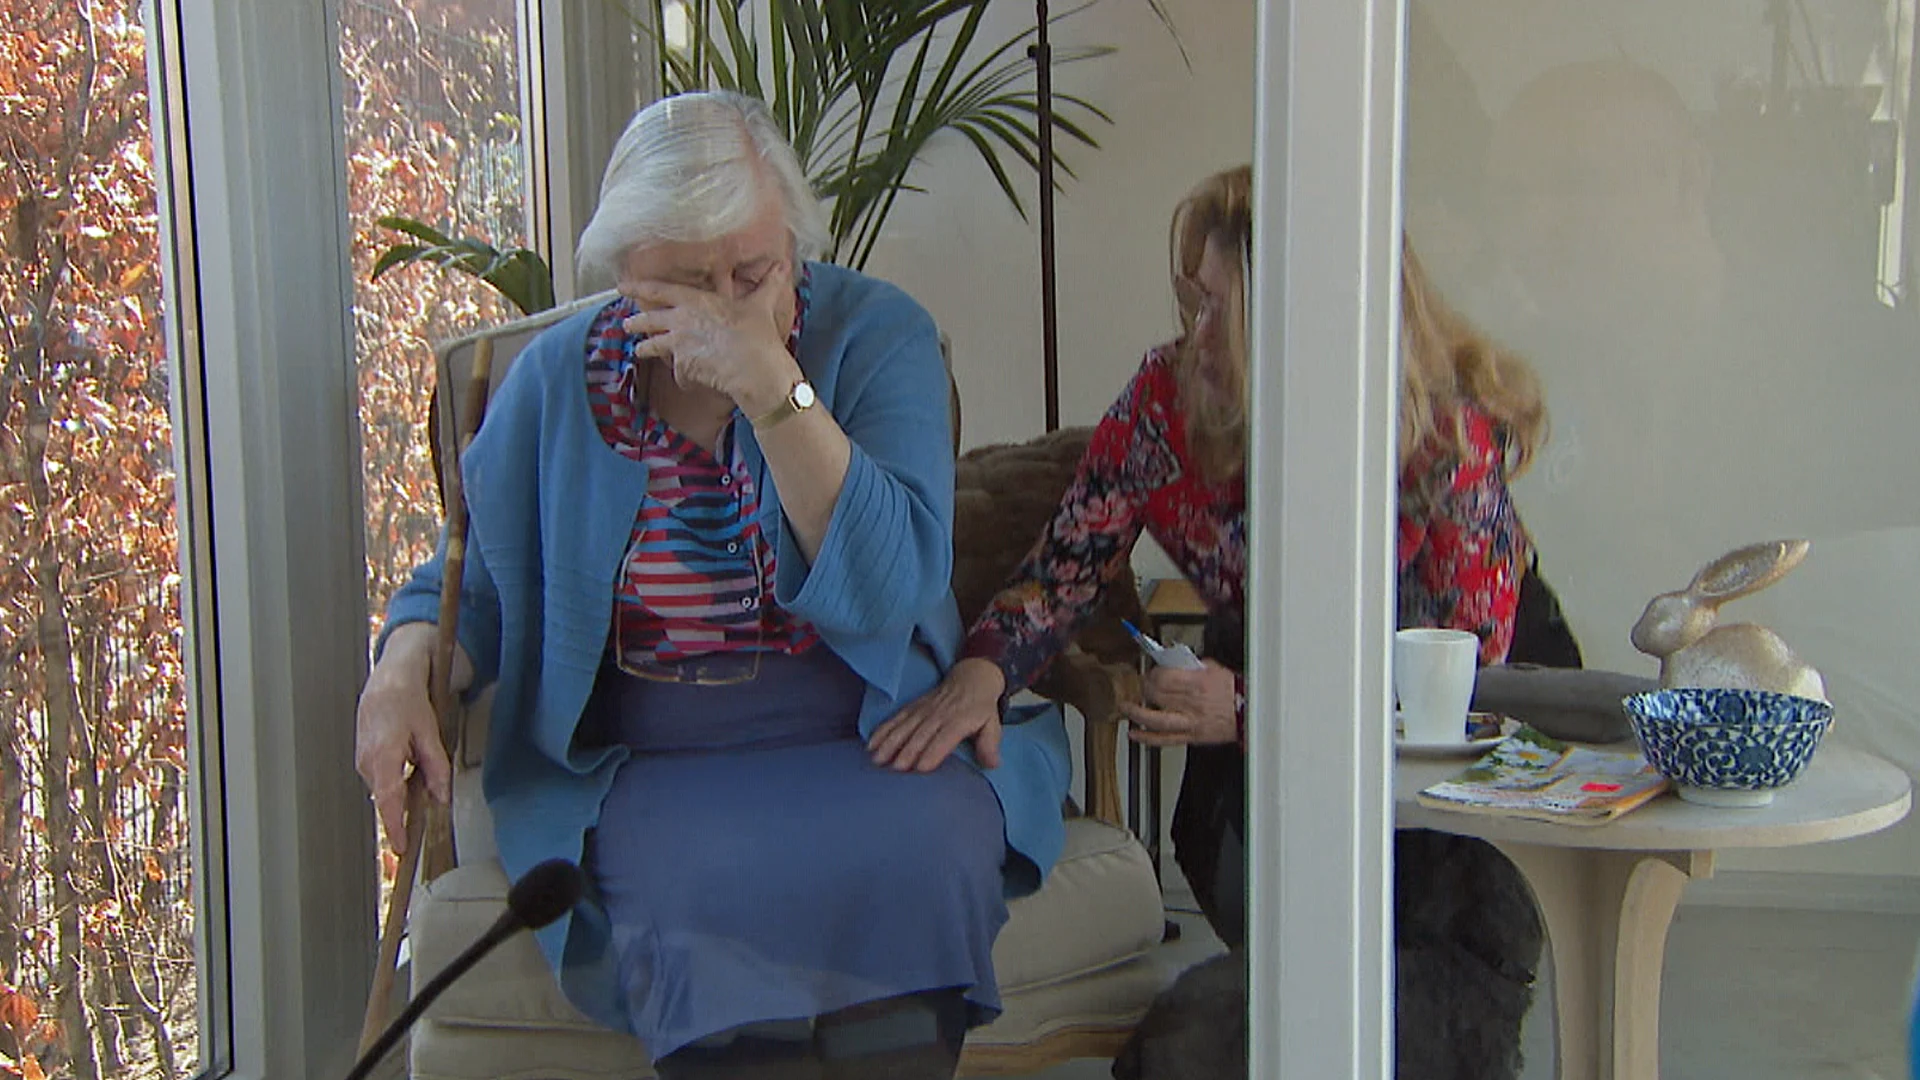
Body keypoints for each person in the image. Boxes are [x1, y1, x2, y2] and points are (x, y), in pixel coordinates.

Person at [354, 91, 1070, 1080]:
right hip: (661, 764)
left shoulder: (876, 338)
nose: (727, 307)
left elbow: (893, 583)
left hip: (871, 734)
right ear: (625, 275)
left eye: (752, 274)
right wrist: (400, 671)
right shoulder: (557, 384)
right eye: (688, 283)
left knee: (925, 854)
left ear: (794, 247)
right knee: (700, 891)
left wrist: (774, 389)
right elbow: (474, 589)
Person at [873, 165, 1550, 1077]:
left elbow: (1455, 699)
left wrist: (1251, 711)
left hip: (1459, 785)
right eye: (1189, 300)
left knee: (1364, 1029)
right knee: (1229, 1022)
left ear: (1307, 310)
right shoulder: (1165, 399)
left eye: (1218, 309)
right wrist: (981, 672)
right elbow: (1065, 565)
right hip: (1270, 728)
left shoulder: (1442, 433)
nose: (1193, 335)